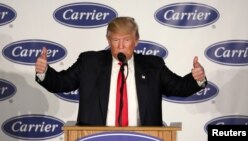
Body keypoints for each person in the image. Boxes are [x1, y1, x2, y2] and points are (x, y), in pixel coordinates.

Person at [35, 16, 207, 126]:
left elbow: (177, 87)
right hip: (96, 137)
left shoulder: (153, 65)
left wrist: (196, 79)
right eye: (116, 40)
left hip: (143, 138)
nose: (121, 45)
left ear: (136, 41)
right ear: (108, 40)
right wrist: (45, 72)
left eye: (126, 40)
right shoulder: (89, 62)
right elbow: (62, 82)